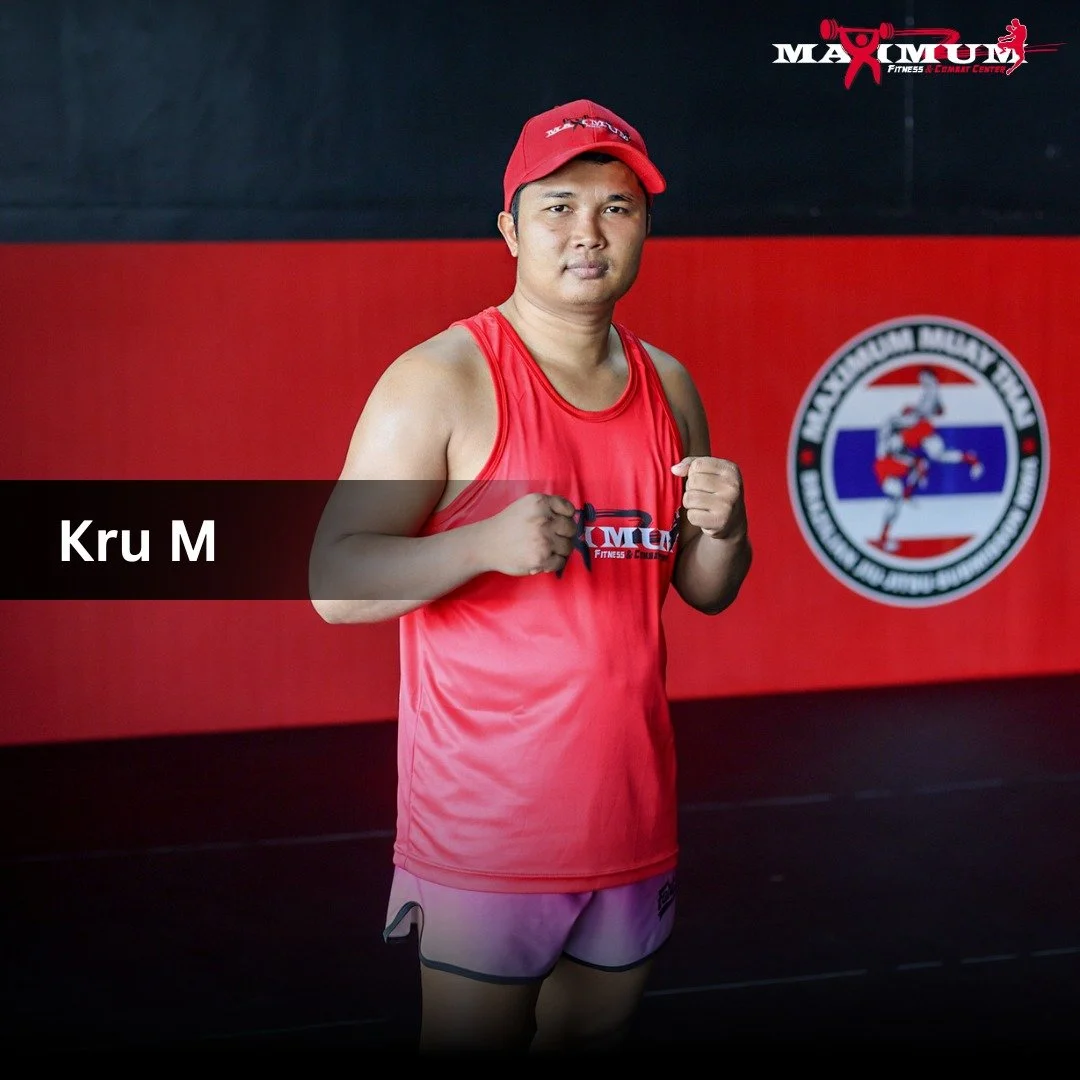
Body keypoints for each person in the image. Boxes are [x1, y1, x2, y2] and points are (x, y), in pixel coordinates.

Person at [309, 98, 752, 1056]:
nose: (588, 232)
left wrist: (727, 528)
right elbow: (334, 583)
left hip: (630, 811)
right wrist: (481, 545)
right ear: (509, 230)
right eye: (558, 207)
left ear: (644, 228)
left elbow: (705, 589)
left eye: (617, 207)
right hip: (487, 827)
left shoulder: (669, 385)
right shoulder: (440, 380)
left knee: (596, 1034)